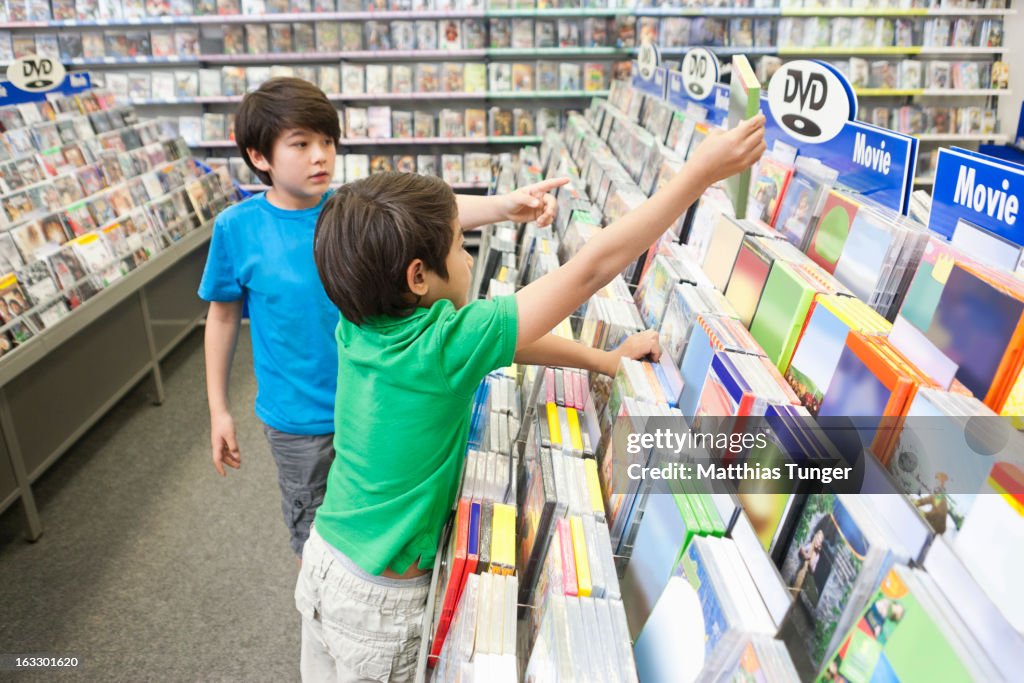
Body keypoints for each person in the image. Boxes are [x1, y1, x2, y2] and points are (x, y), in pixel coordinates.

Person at [299, 114, 766, 680]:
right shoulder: (444, 346)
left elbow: (507, 343)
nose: (470, 257)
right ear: (419, 276)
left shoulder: (362, 319)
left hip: (327, 560)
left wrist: (601, 359)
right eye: (459, 244)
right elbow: (592, 267)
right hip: (382, 603)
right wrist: (698, 174)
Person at [199, 77, 588, 558]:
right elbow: (221, 319)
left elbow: (428, 215)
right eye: (300, 144)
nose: (320, 155)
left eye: (326, 141)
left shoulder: (349, 210)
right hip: (299, 418)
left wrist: (507, 207)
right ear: (259, 157)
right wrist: (219, 409)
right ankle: (329, 599)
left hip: (377, 403)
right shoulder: (237, 229)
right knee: (316, 528)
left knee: (385, 520)